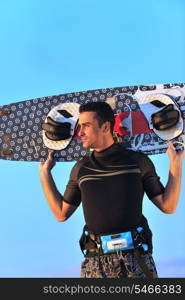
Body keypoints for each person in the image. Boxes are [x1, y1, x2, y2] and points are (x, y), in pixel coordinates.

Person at [39, 101, 184, 278]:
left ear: (106, 126)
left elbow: (167, 206)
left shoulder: (138, 162)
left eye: (86, 126)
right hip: (96, 263)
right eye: (79, 126)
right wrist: (45, 173)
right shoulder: (81, 169)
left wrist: (175, 165)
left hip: (136, 259)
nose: (79, 133)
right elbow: (61, 213)